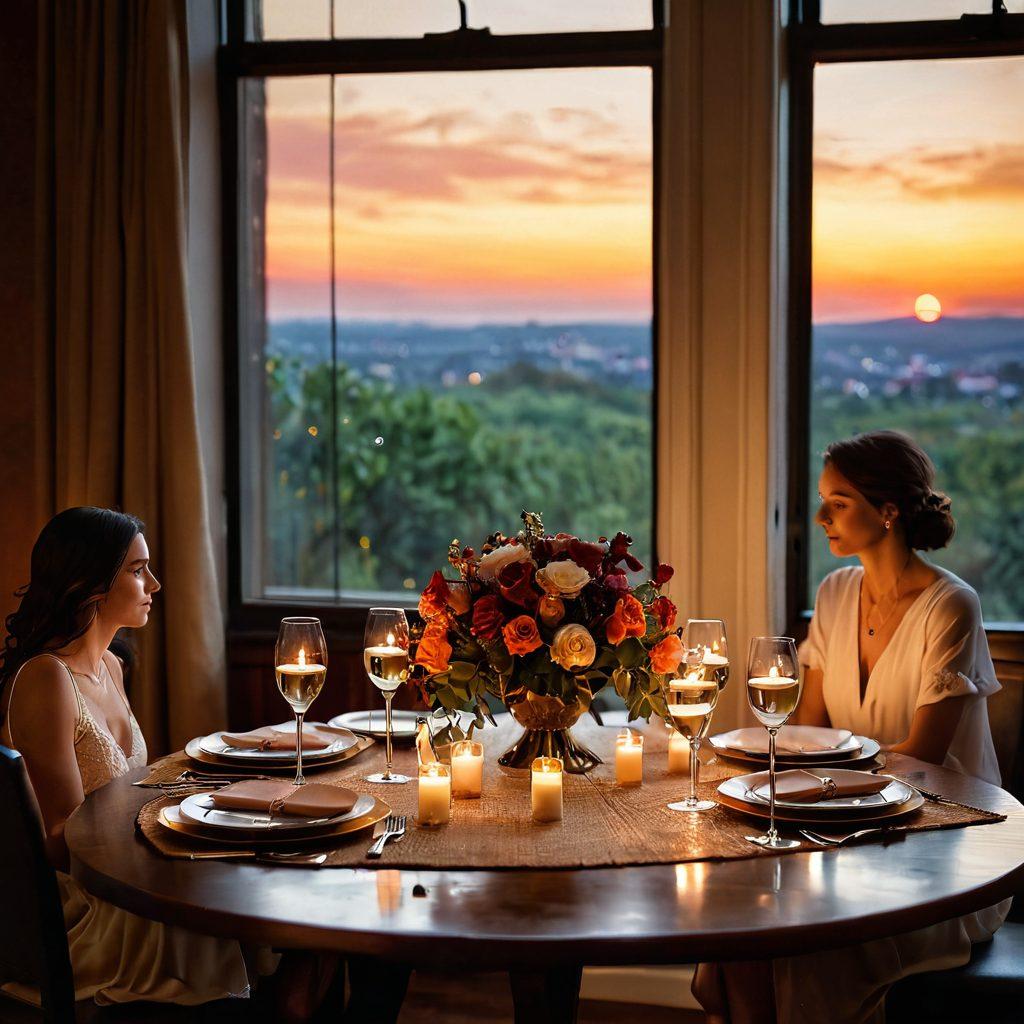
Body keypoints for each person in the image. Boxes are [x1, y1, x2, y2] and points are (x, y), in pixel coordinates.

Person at [693, 430, 1009, 1024]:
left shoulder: (951, 605)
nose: (819, 518)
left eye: (837, 503)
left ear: (888, 511)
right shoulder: (835, 592)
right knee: (736, 919)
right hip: (844, 828)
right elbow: (805, 731)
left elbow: (922, 758)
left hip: (940, 845)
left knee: (805, 938)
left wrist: (814, 784)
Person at [0, 507, 273, 1009]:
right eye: (136, 569)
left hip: (126, 873)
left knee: (262, 882)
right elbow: (61, 840)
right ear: (91, 584)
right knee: (222, 905)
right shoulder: (46, 679)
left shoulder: (110, 665)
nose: (155, 582)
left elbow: (127, 788)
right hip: (90, 907)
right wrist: (163, 833)